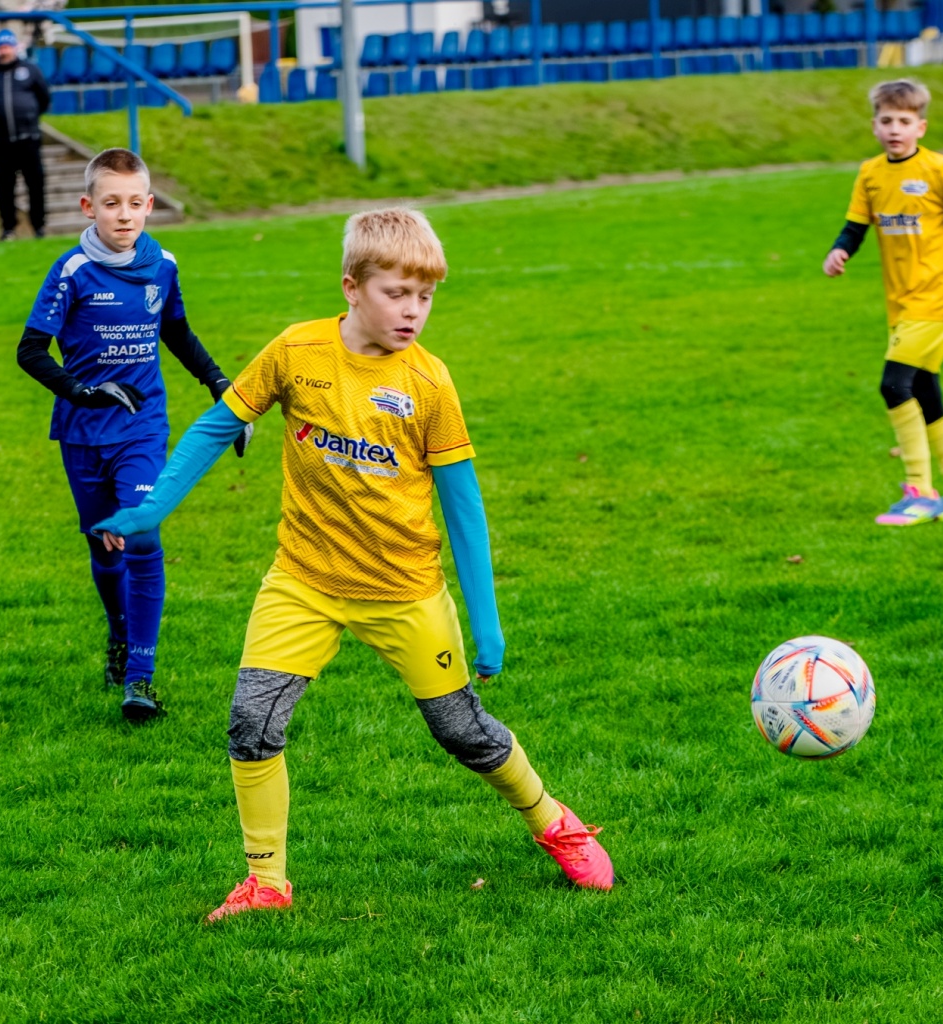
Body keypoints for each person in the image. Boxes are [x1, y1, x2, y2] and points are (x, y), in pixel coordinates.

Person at [92, 208, 614, 920]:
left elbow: (463, 508)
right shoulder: (296, 351)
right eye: (396, 293)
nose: (413, 310)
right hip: (303, 581)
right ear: (351, 287)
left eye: (425, 296)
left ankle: (555, 822)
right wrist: (151, 509)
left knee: (462, 731)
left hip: (404, 591)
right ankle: (267, 883)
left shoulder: (429, 384)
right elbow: (219, 426)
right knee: (251, 723)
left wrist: (487, 622)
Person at [16, 148, 251, 719]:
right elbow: (30, 351)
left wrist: (221, 385)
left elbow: (177, 332)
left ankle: (140, 679)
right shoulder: (72, 270)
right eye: (111, 203)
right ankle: (119, 634)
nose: (124, 214)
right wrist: (82, 391)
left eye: (135, 203)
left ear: (149, 205)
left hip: (142, 429)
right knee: (103, 545)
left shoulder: (162, 264)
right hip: (82, 431)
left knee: (142, 537)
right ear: (88, 207)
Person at [823, 78, 943, 526]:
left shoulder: (939, 169)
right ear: (874, 126)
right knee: (926, 393)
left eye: (904, 121)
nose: (895, 129)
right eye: (887, 120)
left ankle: (921, 492)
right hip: (901, 303)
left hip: (938, 298)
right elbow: (855, 226)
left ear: (921, 127)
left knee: (893, 386)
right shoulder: (870, 173)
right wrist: (840, 250)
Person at [0, 29, 51, 242]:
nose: (4, 51)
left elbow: (44, 98)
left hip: (28, 140)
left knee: (35, 184)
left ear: (15, 48)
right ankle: (8, 229)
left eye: (7, 47)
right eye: (1, 47)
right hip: (1, 143)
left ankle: (39, 227)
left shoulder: (31, 70)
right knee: (3, 187)